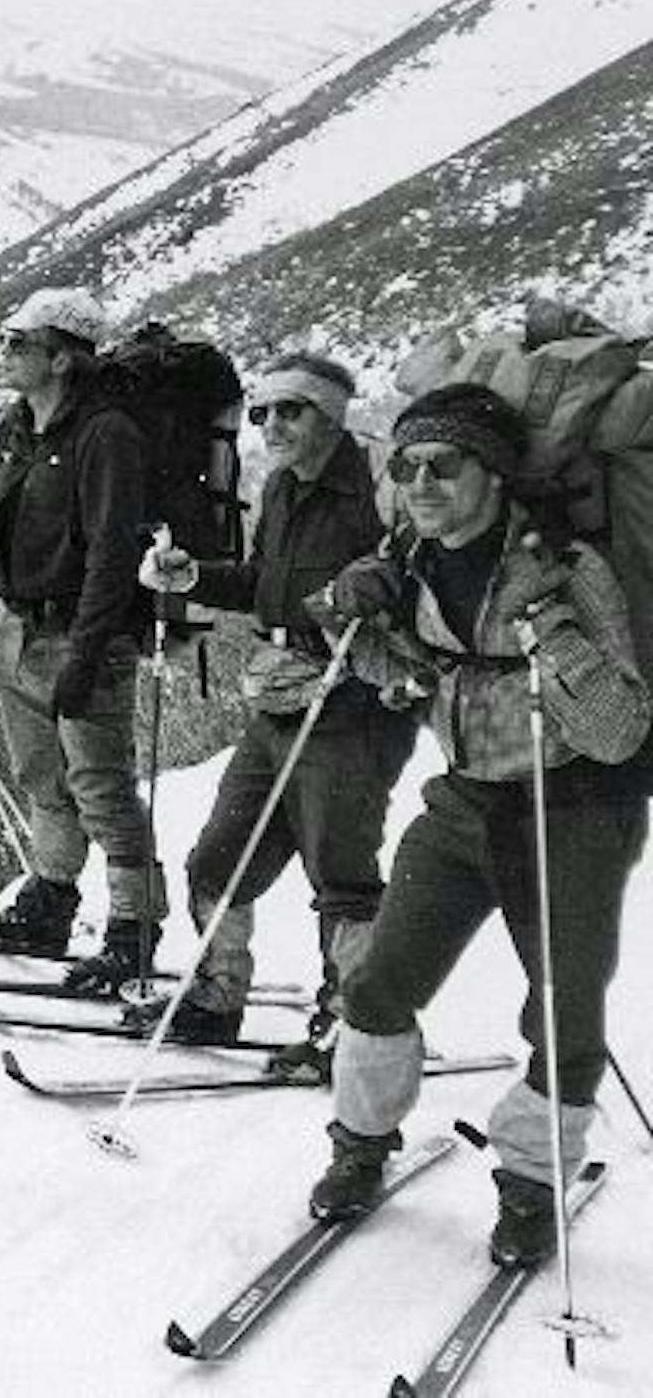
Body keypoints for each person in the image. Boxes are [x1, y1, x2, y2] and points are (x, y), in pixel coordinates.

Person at [303, 384, 649, 1268]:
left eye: (443, 465)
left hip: (572, 808)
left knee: (565, 1009)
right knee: (379, 982)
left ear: (493, 477)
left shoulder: (568, 567)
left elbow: (617, 729)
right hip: (464, 800)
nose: (421, 482)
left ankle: (532, 1182)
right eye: (406, 466)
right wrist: (347, 607)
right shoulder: (411, 556)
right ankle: (360, 1145)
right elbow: (408, 671)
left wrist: (552, 631)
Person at [126, 353, 418, 1070]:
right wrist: (193, 575)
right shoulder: (283, 488)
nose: (272, 425)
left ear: (332, 414)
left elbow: (422, 590)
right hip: (279, 698)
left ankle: (352, 1031)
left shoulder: (381, 490)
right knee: (217, 857)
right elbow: (264, 584)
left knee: (342, 876)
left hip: (354, 705)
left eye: (291, 410)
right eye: (263, 412)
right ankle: (217, 997)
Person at [0, 287, 162, 994]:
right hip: (17, 630)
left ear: (63, 357)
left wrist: (87, 650)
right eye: (6, 339)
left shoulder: (107, 435)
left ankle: (134, 932)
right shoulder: (17, 426)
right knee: (44, 780)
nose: (5, 352)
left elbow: (112, 554)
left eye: (20, 342)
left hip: (84, 633)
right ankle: (50, 904)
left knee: (102, 789)